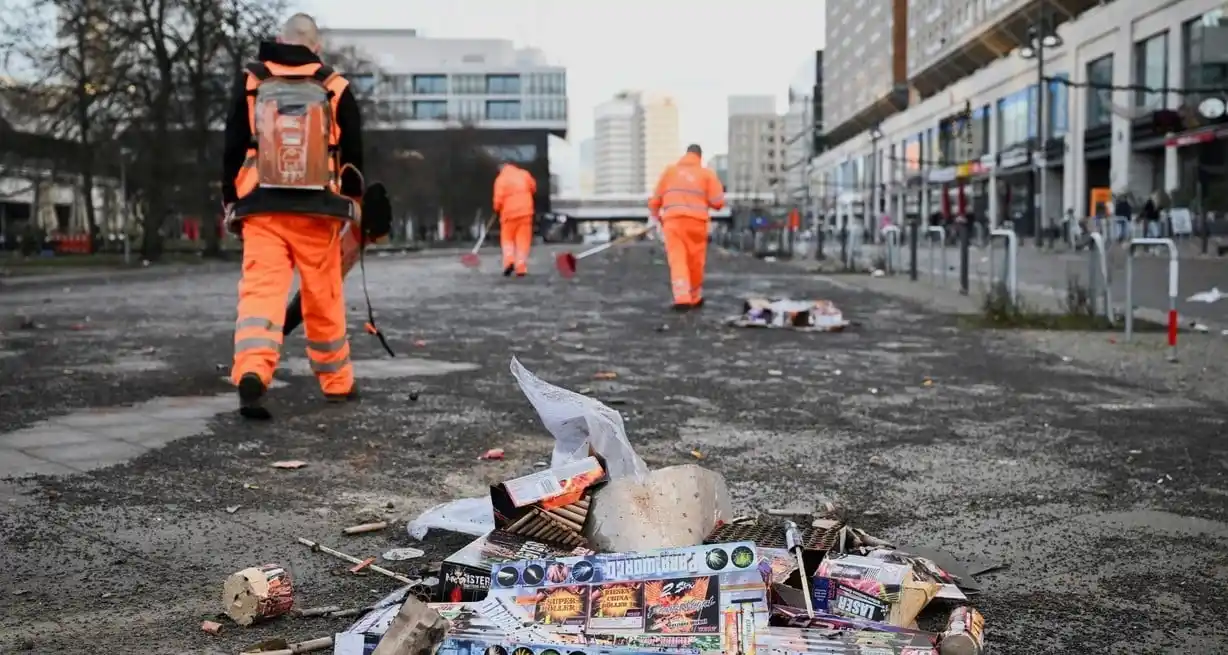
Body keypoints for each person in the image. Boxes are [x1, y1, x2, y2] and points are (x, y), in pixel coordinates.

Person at [221, 13, 365, 419]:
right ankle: (337, 382)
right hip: (318, 211)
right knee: (323, 296)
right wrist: (353, 204)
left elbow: (232, 145)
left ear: (278, 40)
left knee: (261, 293)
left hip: (262, 207)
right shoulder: (334, 86)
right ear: (315, 48)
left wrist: (229, 196)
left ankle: (252, 369)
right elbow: (354, 156)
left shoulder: (252, 81)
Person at [648, 144, 725, 310]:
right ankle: (695, 296)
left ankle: (682, 297)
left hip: (673, 223)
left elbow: (655, 200)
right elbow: (718, 202)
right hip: (697, 224)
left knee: (678, 260)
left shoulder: (670, 172)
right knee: (695, 261)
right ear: (700, 156)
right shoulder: (706, 174)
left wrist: (655, 218)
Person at [492, 162, 537, 276]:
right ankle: (521, 267)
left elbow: (498, 199)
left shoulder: (500, 180)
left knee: (507, 240)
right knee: (523, 241)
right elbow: (533, 187)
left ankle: (509, 261)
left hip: (508, 215)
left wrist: (496, 208)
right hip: (525, 212)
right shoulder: (524, 174)